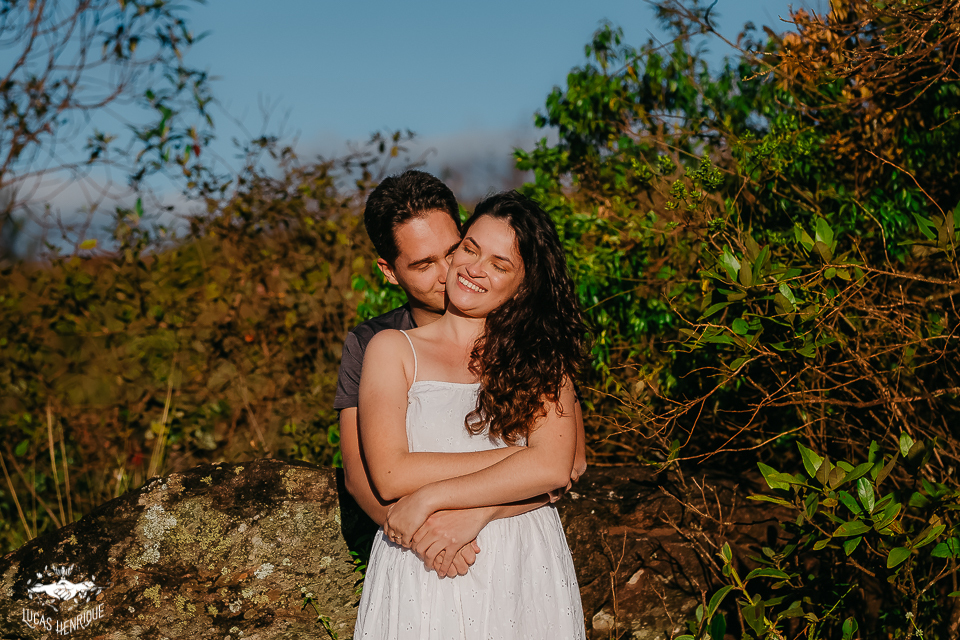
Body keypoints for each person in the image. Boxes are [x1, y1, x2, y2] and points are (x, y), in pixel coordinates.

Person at [354, 190, 588, 638]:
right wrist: (523, 459)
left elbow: (558, 467)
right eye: (470, 248)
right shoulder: (391, 349)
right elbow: (389, 473)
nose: (474, 268)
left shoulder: (539, 356)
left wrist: (438, 500)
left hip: (521, 556)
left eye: (500, 265)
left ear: (524, 284)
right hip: (425, 559)